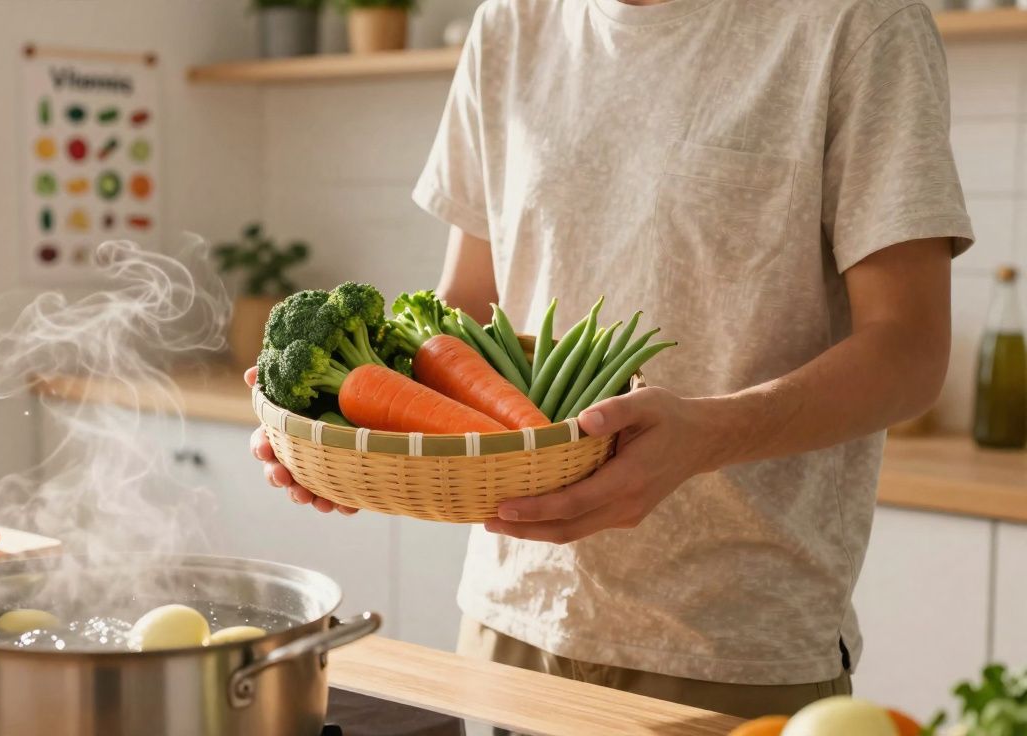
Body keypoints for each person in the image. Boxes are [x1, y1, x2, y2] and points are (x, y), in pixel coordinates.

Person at [247, 0, 973, 718]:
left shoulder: (857, 23)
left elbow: (909, 349)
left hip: (733, 644)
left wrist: (708, 435)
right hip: (512, 621)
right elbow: (465, 307)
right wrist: (344, 434)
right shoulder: (511, 24)